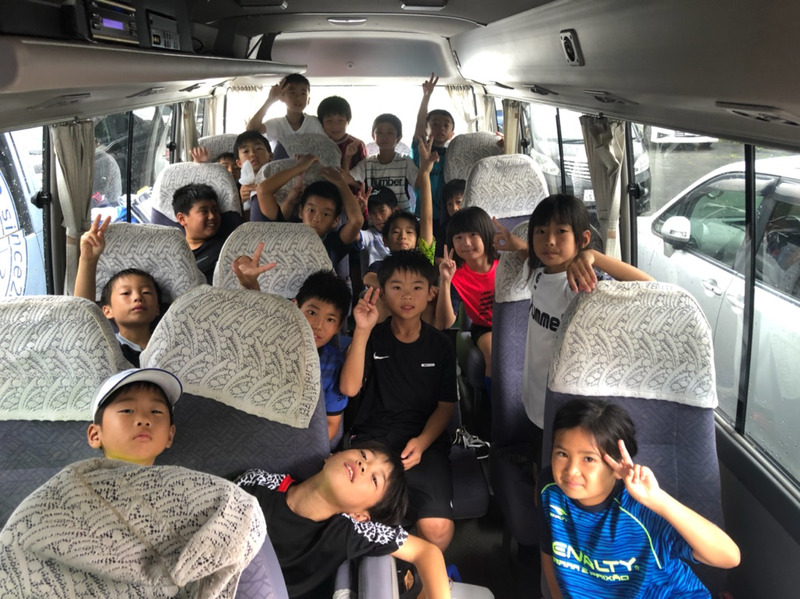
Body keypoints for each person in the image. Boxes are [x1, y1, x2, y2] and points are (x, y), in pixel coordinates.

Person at [493, 194, 654, 453]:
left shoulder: (584, 285)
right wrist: (516, 244)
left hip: (564, 401)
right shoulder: (537, 274)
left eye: (561, 232)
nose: (550, 240)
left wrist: (594, 257)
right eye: (541, 232)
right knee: (537, 455)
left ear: (583, 239)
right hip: (534, 393)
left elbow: (651, 287)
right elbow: (529, 255)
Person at [540, 398, 740, 598]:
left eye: (589, 459)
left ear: (617, 466)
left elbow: (729, 557)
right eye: (562, 454)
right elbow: (549, 552)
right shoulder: (550, 489)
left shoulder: (641, 511)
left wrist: (658, 500)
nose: (571, 471)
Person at [340, 250, 456, 553]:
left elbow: (446, 407)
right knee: (360, 515)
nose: (407, 295)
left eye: (416, 287)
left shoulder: (441, 345)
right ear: (382, 293)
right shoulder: (372, 337)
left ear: (430, 293)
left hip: (424, 442)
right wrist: (361, 330)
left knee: (438, 528)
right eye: (396, 287)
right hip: (372, 440)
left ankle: (419, 573)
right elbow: (349, 388)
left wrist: (422, 442)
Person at [236, 441, 450, 599]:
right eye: (364, 454)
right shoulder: (256, 483)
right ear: (332, 456)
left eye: (374, 479)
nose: (364, 464)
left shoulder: (350, 529)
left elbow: (426, 552)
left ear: (360, 515)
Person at [233, 258, 352, 444]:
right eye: (312, 313)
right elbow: (258, 323)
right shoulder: (271, 341)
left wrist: (298, 449)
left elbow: (331, 424)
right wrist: (250, 285)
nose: (318, 325)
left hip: (301, 443)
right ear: (295, 306)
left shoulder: (334, 365)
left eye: (330, 319)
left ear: (340, 325)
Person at [75, 215, 160, 367]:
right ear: (107, 311)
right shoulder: (108, 347)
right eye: (126, 293)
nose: (138, 297)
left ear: (158, 309)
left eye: (146, 292)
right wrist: (88, 260)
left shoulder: (168, 345)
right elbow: (82, 315)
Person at [253, 154, 364, 270]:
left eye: (326, 214)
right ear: (301, 212)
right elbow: (263, 190)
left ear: (335, 221)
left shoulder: (333, 245)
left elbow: (356, 221)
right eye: (311, 210)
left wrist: (341, 183)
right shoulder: (285, 230)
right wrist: (300, 168)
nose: (317, 218)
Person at [436, 206, 498, 396]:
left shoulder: (505, 264)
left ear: (486, 234)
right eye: (459, 237)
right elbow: (444, 323)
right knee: (493, 352)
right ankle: (496, 405)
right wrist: (445, 281)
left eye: (473, 235)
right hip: (485, 328)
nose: (466, 243)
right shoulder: (457, 276)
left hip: (516, 324)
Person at [87, 367, 182, 466]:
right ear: (95, 435)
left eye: (156, 411)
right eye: (127, 411)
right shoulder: (79, 474)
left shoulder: (185, 475)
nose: (144, 419)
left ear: (169, 435)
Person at [347, 113, 419, 212]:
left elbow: (419, 184)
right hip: (376, 218)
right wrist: (347, 156)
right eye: (379, 132)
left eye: (390, 133)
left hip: (402, 217)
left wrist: (425, 166)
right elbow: (346, 178)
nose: (384, 137)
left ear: (398, 137)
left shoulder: (405, 161)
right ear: (373, 136)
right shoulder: (367, 163)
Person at [411, 73, 455, 230]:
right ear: (426, 129)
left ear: (452, 134)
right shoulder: (421, 149)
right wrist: (426, 97)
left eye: (446, 125)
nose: (440, 128)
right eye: (435, 124)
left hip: (449, 215)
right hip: (423, 214)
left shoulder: (454, 154)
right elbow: (420, 123)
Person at [172, 182, 240, 284]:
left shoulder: (229, 237)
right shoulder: (176, 255)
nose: (212, 216)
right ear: (182, 219)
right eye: (204, 211)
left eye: (215, 210)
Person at [246, 73, 325, 150]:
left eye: (303, 93)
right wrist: (270, 100)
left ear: (308, 100)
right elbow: (251, 130)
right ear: (282, 97)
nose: (298, 97)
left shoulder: (314, 122)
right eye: (292, 92)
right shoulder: (277, 124)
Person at [317, 95, 367, 170]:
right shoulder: (316, 144)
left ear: (347, 121)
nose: (335, 126)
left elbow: (363, 174)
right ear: (321, 123)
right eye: (329, 121)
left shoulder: (357, 145)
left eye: (340, 120)